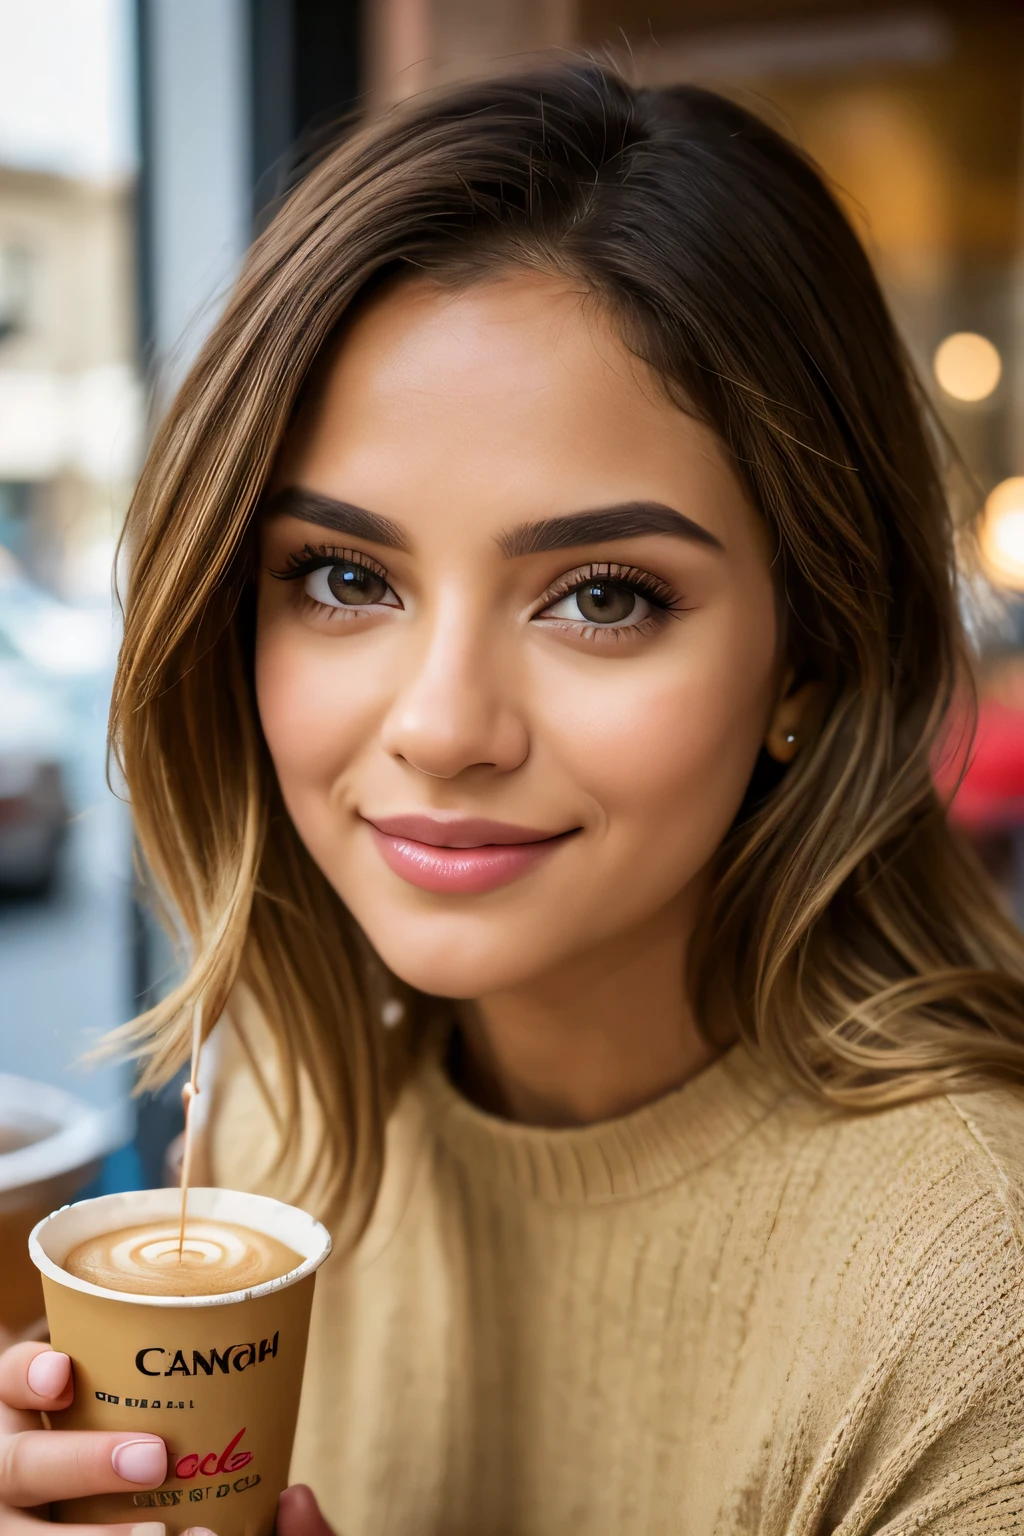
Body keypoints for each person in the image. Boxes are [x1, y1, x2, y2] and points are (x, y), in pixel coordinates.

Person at [3, 60, 1024, 1536]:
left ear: (811, 653)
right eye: (344, 577)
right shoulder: (281, 1118)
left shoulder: (974, 1304)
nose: (442, 728)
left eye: (602, 596)